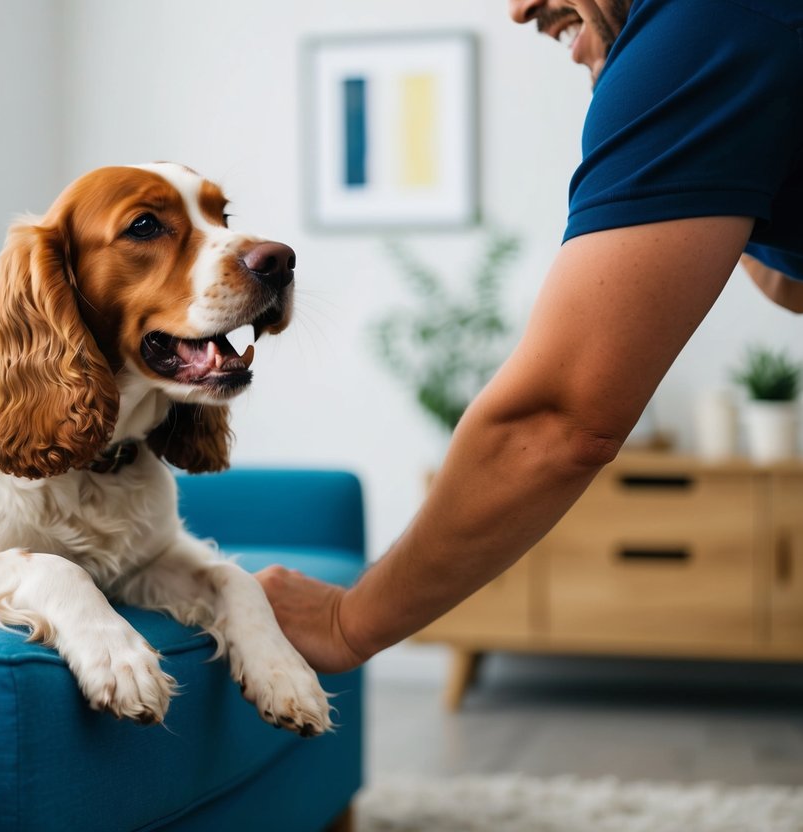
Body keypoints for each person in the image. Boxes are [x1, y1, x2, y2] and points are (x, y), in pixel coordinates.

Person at [256, 0, 803, 674]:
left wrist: (346, 623)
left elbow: (557, 422)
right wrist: (698, 158)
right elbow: (791, 287)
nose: (517, 9)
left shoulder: (707, 21)